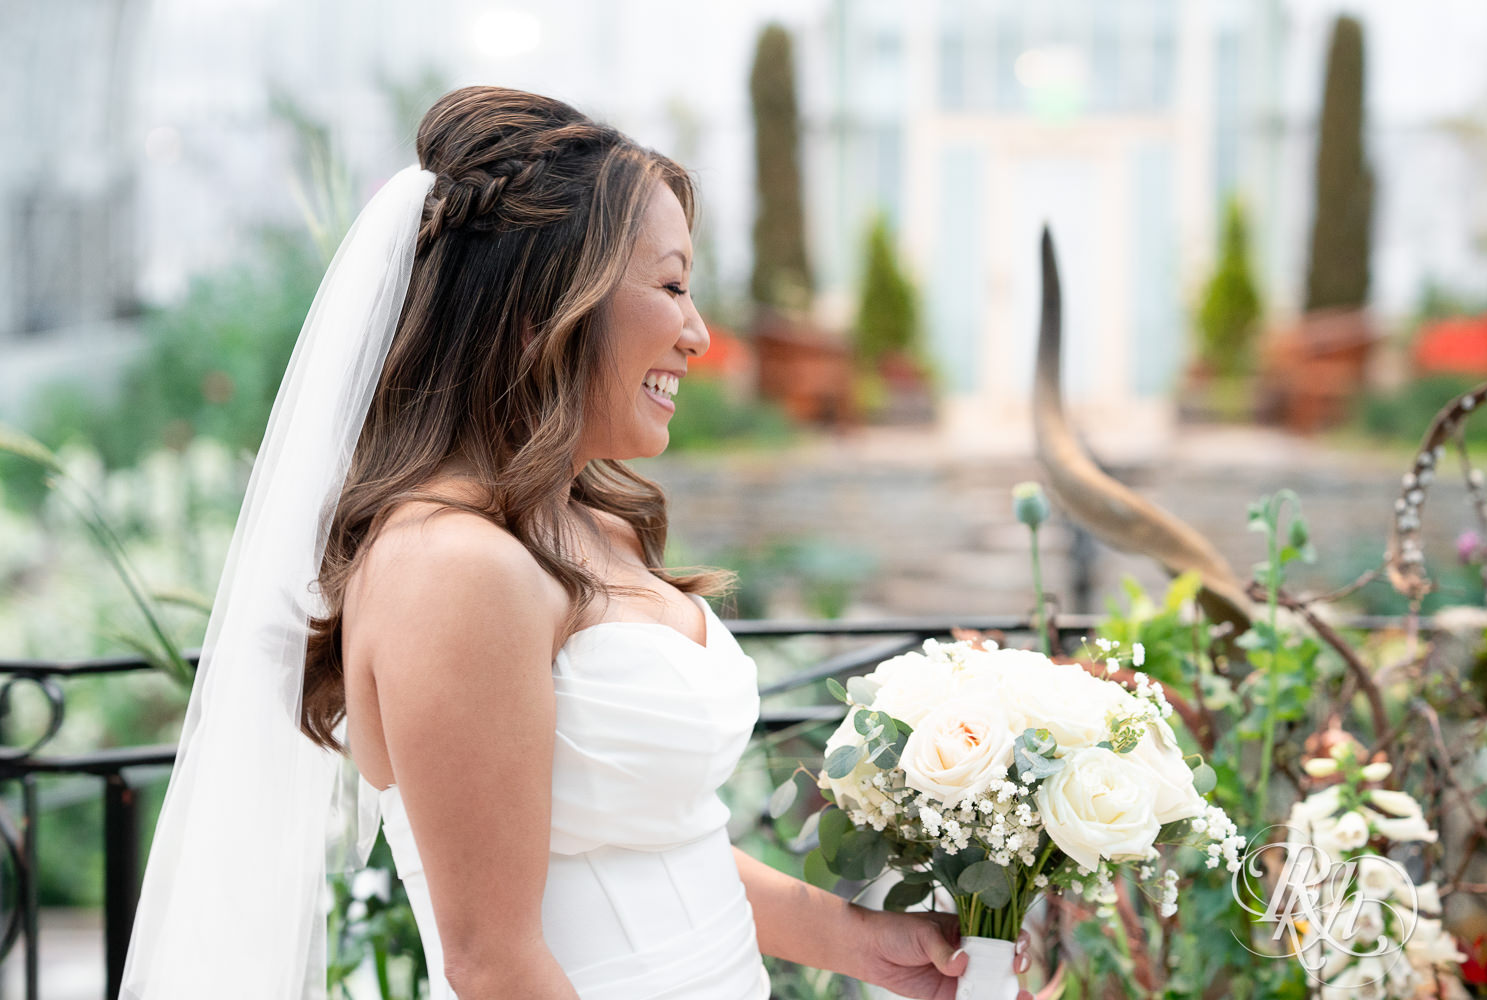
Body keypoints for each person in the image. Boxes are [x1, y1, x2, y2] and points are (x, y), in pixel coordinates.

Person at [121, 85, 968, 999]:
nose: (698, 333)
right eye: (675, 285)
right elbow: (495, 964)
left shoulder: (587, 527)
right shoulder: (451, 566)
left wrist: (863, 943)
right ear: (549, 304)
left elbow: (659, 853)